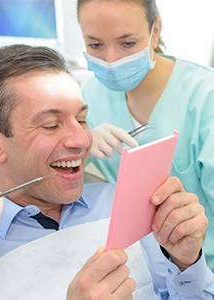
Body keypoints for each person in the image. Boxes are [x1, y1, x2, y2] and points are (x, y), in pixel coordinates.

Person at [0, 44, 213, 299]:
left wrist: (186, 263)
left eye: (82, 120)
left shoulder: (122, 202)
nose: (82, 141)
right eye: (51, 125)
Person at [77, 0, 214, 271]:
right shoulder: (89, 95)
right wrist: (82, 149)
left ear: (155, 30)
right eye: (95, 45)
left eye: (127, 44)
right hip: (136, 271)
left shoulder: (204, 96)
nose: (111, 60)